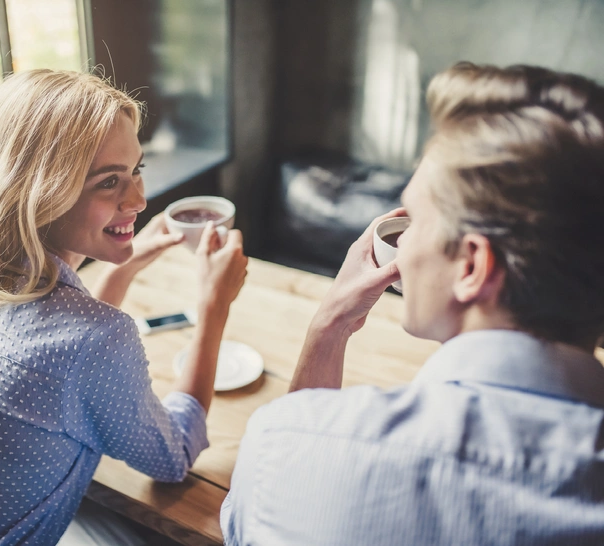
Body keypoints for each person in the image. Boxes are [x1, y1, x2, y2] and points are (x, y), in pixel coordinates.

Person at [221, 62, 604, 545]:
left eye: (415, 219)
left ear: (471, 267)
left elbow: (246, 521)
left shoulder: (291, 445)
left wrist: (326, 326)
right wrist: (332, 324)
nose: (404, 240)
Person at [0, 69, 248, 545]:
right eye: (109, 182)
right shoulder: (93, 338)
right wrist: (214, 307)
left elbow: (56, 357)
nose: (139, 198)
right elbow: (172, 455)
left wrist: (122, 270)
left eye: (137, 169)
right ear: (41, 193)